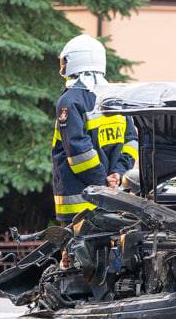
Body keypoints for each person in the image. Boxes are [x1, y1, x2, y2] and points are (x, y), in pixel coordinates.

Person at [51, 34, 139, 223]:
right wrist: (119, 173)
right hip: (113, 197)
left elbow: (78, 152)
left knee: (75, 252)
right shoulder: (116, 97)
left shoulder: (69, 100)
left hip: (80, 202)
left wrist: (101, 182)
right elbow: (131, 141)